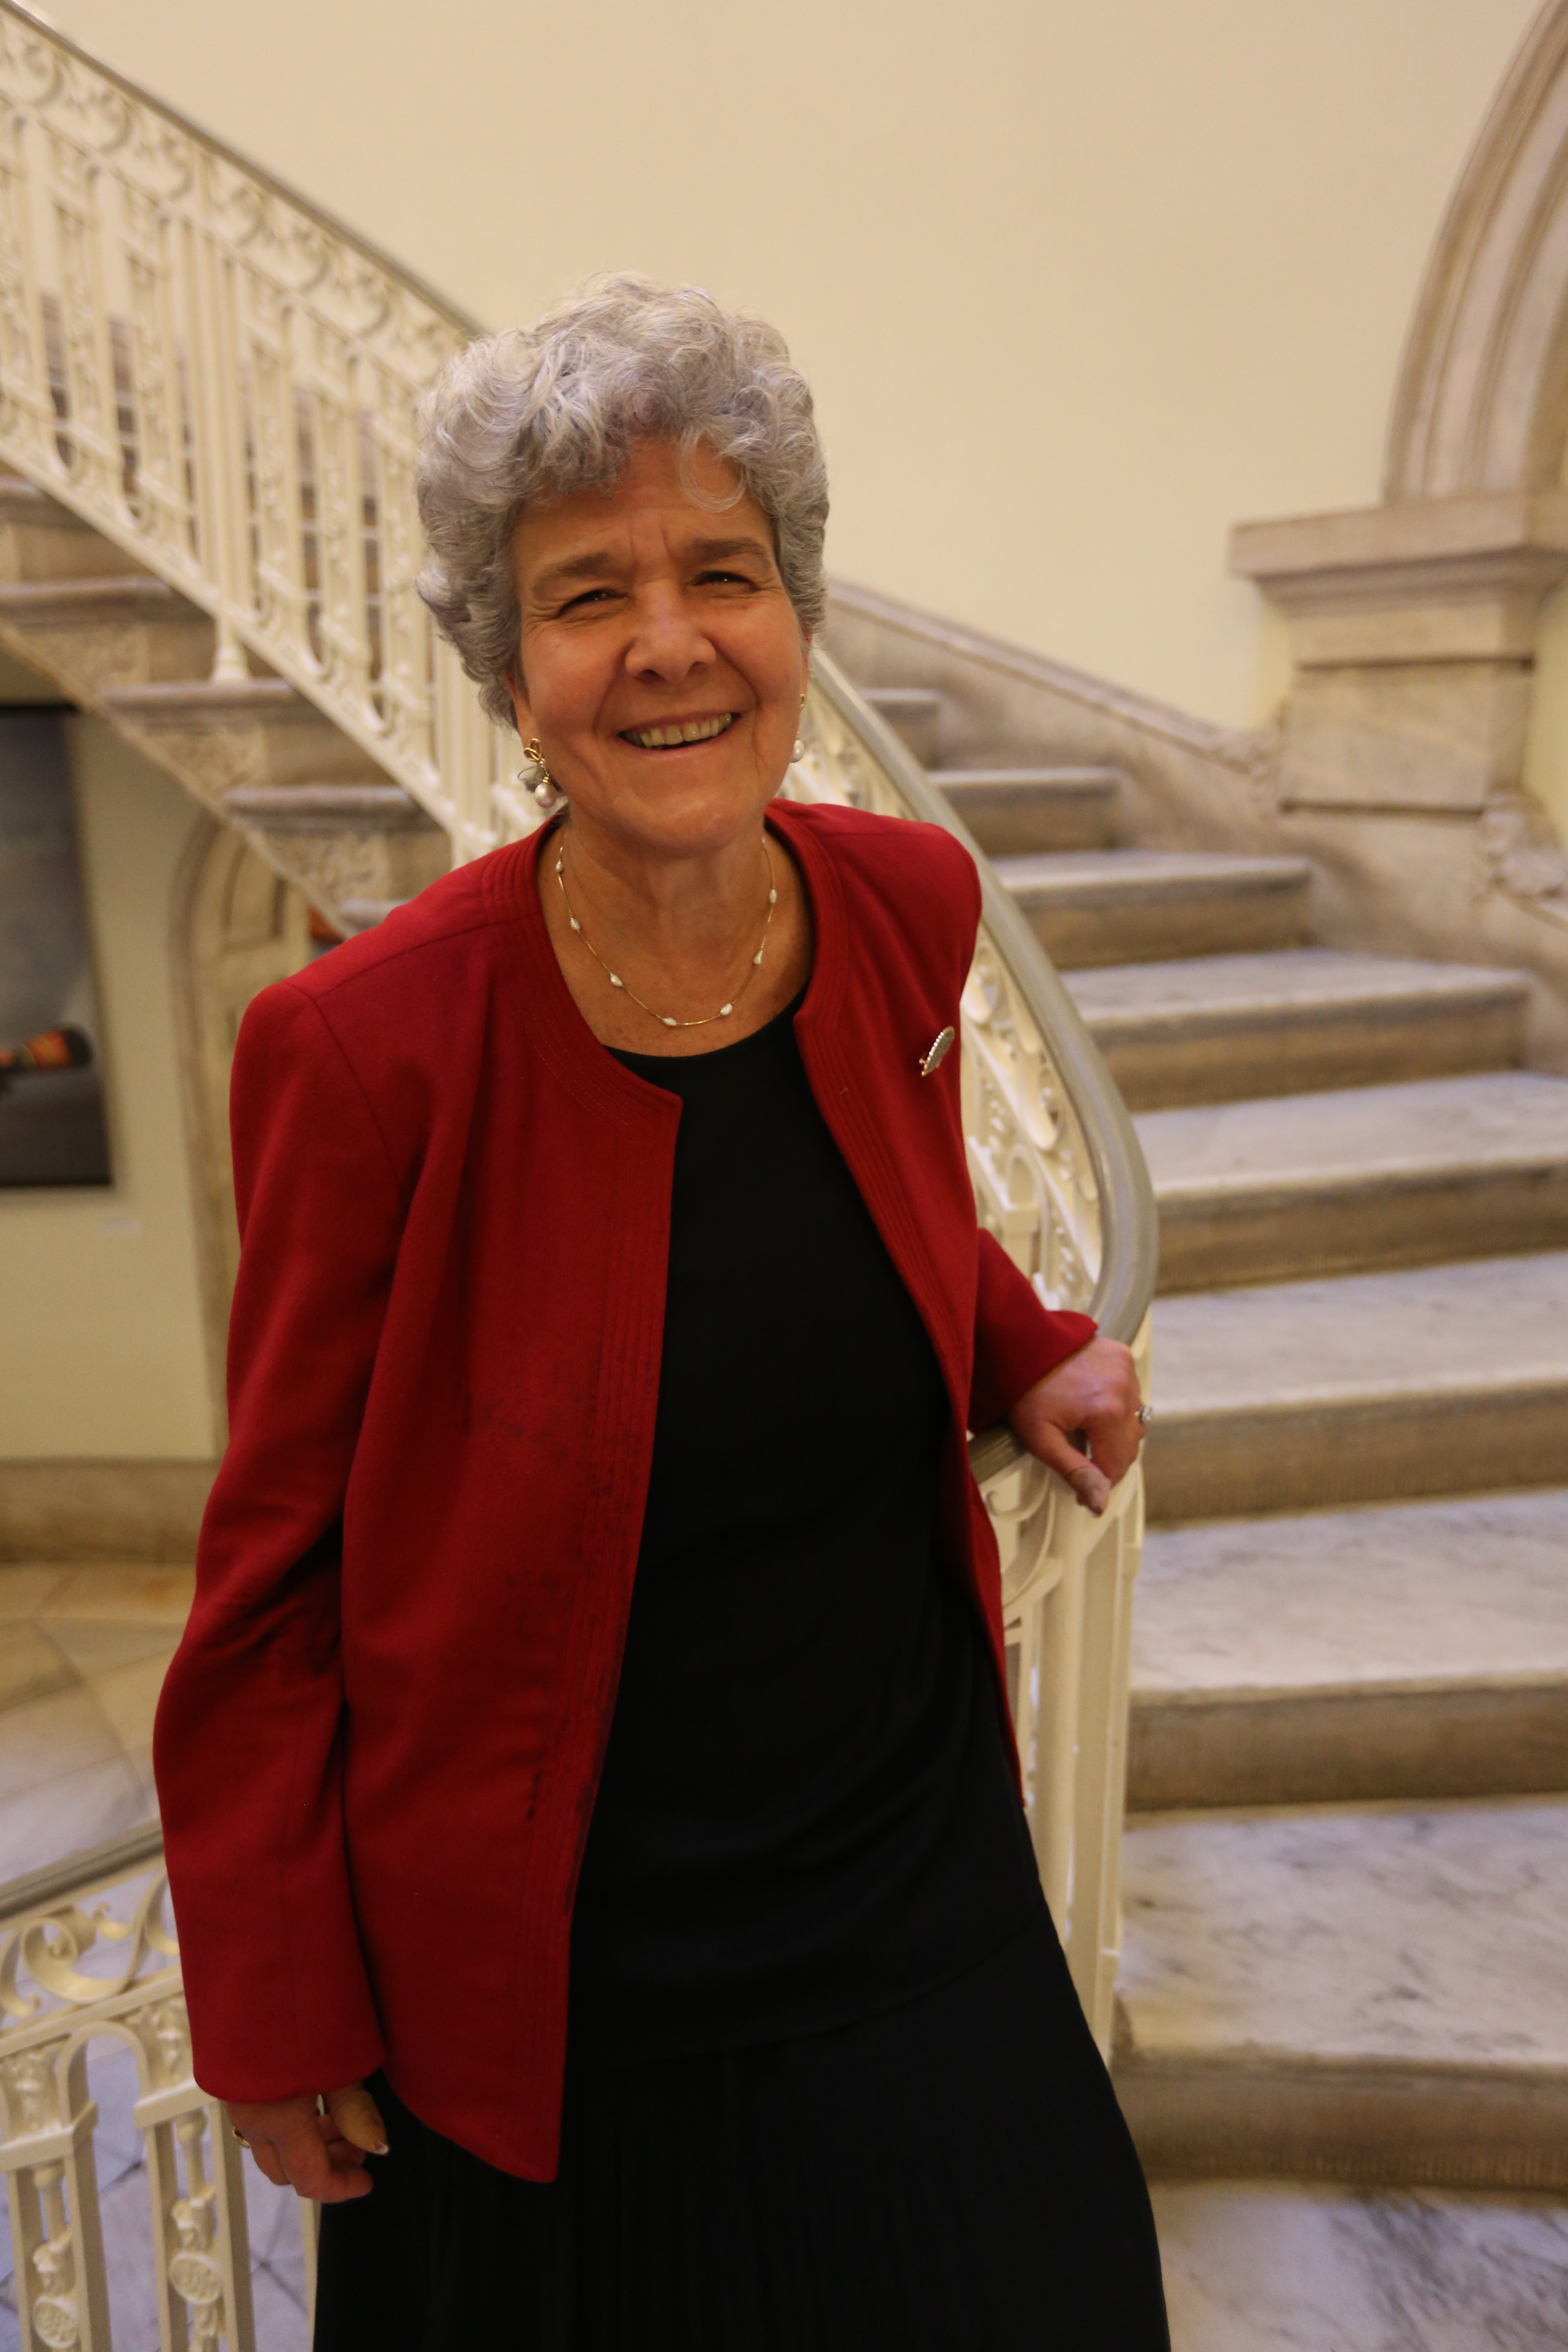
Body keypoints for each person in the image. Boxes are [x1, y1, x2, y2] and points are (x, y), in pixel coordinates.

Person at [153, 275, 1168, 2350]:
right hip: (555, 1993)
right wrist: (270, 1999)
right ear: (514, 682)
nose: (669, 641)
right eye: (585, 594)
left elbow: (860, 1213)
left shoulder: (901, 906)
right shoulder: (366, 1050)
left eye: (725, 569)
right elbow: (272, 1573)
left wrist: (1012, 1336)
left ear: (796, 617)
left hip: (914, 1906)